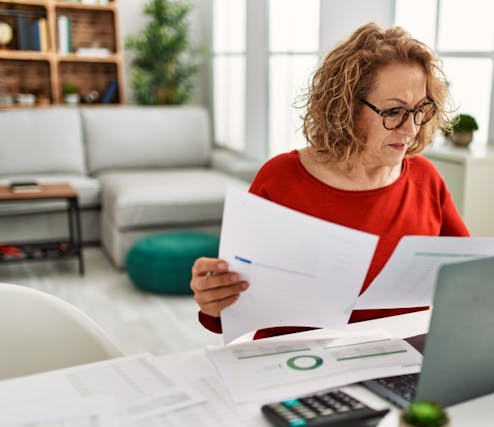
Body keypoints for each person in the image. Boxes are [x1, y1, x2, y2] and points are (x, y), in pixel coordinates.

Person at [190, 22, 470, 338]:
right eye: (394, 112)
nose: (411, 128)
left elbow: (470, 276)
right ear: (346, 107)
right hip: (297, 367)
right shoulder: (281, 180)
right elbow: (230, 306)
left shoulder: (425, 179)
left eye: (421, 109)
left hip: (397, 367)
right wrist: (214, 298)